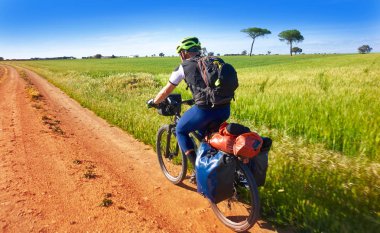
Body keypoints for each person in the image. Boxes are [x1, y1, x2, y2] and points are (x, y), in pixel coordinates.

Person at [147, 37, 231, 182]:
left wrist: (154, 102)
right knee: (205, 136)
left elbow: (166, 91)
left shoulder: (183, 67)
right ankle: (214, 165)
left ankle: (198, 172)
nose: (180, 56)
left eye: (180, 52)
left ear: (184, 52)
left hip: (205, 111)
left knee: (180, 130)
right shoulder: (212, 61)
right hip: (224, 108)